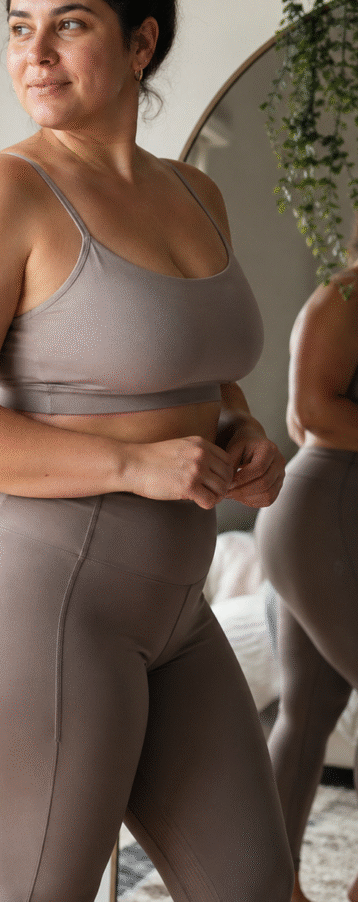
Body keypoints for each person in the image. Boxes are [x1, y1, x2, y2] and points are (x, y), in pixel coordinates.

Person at [0, 0, 294, 901]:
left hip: (174, 609)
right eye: (21, 29)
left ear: (141, 41)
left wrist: (240, 425)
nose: (36, 52)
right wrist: (132, 462)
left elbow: (194, 367)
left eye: (68, 26)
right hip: (39, 607)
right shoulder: (4, 193)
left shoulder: (192, 191)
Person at [255, 221, 358, 902]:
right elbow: (308, 413)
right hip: (321, 514)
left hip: (330, 516)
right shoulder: (344, 296)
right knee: (304, 709)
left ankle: (268, 885)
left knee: (307, 709)